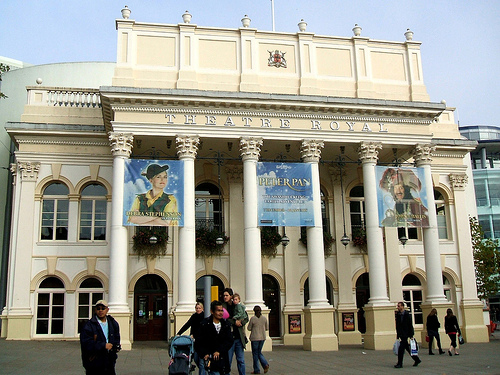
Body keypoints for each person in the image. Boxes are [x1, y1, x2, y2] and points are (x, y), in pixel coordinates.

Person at [80, 300, 121, 375]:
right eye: (98, 308)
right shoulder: (89, 325)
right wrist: (103, 345)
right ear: (95, 310)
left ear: (107, 310)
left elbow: (116, 337)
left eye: (103, 308)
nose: (100, 311)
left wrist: (116, 346)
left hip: (109, 361)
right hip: (94, 362)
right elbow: (86, 343)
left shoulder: (112, 323)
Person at [199, 300, 233, 375]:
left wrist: (219, 351)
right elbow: (200, 342)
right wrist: (205, 353)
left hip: (223, 360)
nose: (221, 313)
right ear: (212, 311)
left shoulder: (226, 324)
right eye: (218, 311)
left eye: (222, 310)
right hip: (212, 361)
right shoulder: (205, 324)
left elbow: (229, 341)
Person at [222, 288, 247, 375]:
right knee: (227, 361)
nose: (225, 297)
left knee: (241, 360)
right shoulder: (223, 307)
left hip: (238, 337)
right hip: (228, 338)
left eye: (227, 295)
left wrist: (241, 323)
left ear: (231, 296)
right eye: (224, 295)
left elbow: (246, 317)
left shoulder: (237, 304)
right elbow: (224, 319)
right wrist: (234, 322)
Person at [177, 302, 205, 375]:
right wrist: (179, 333)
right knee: (195, 358)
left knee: (201, 361)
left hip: (202, 341)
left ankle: (203, 372)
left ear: (202, 309)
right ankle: (205, 370)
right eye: (197, 308)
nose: (198, 310)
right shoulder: (194, 316)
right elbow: (187, 324)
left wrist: (194, 334)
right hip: (194, 341)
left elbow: (202, 329)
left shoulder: (204, 317)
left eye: (199, 308)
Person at [394, 301, 421, 368]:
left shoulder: (407, 315)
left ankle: (400, 363)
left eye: (399, 306)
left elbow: (410, 325)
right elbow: (398, 325)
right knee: (408, 348)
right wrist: (398, 335)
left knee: (401, 349)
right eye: (398, 306)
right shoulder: (398, 314)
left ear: (402, 307)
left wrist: (411, 335)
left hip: (406, 334)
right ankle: (416, 359)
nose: (398, 307)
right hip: (401, 334)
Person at [247, 306, 270, 374]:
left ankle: (257, 369)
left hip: (254, 338)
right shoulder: (264, 318)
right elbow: (267, 328)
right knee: (259, 352)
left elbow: (249, 328)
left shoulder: (253, 318)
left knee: (255, 354)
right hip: (262, 337)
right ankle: (265, 364)